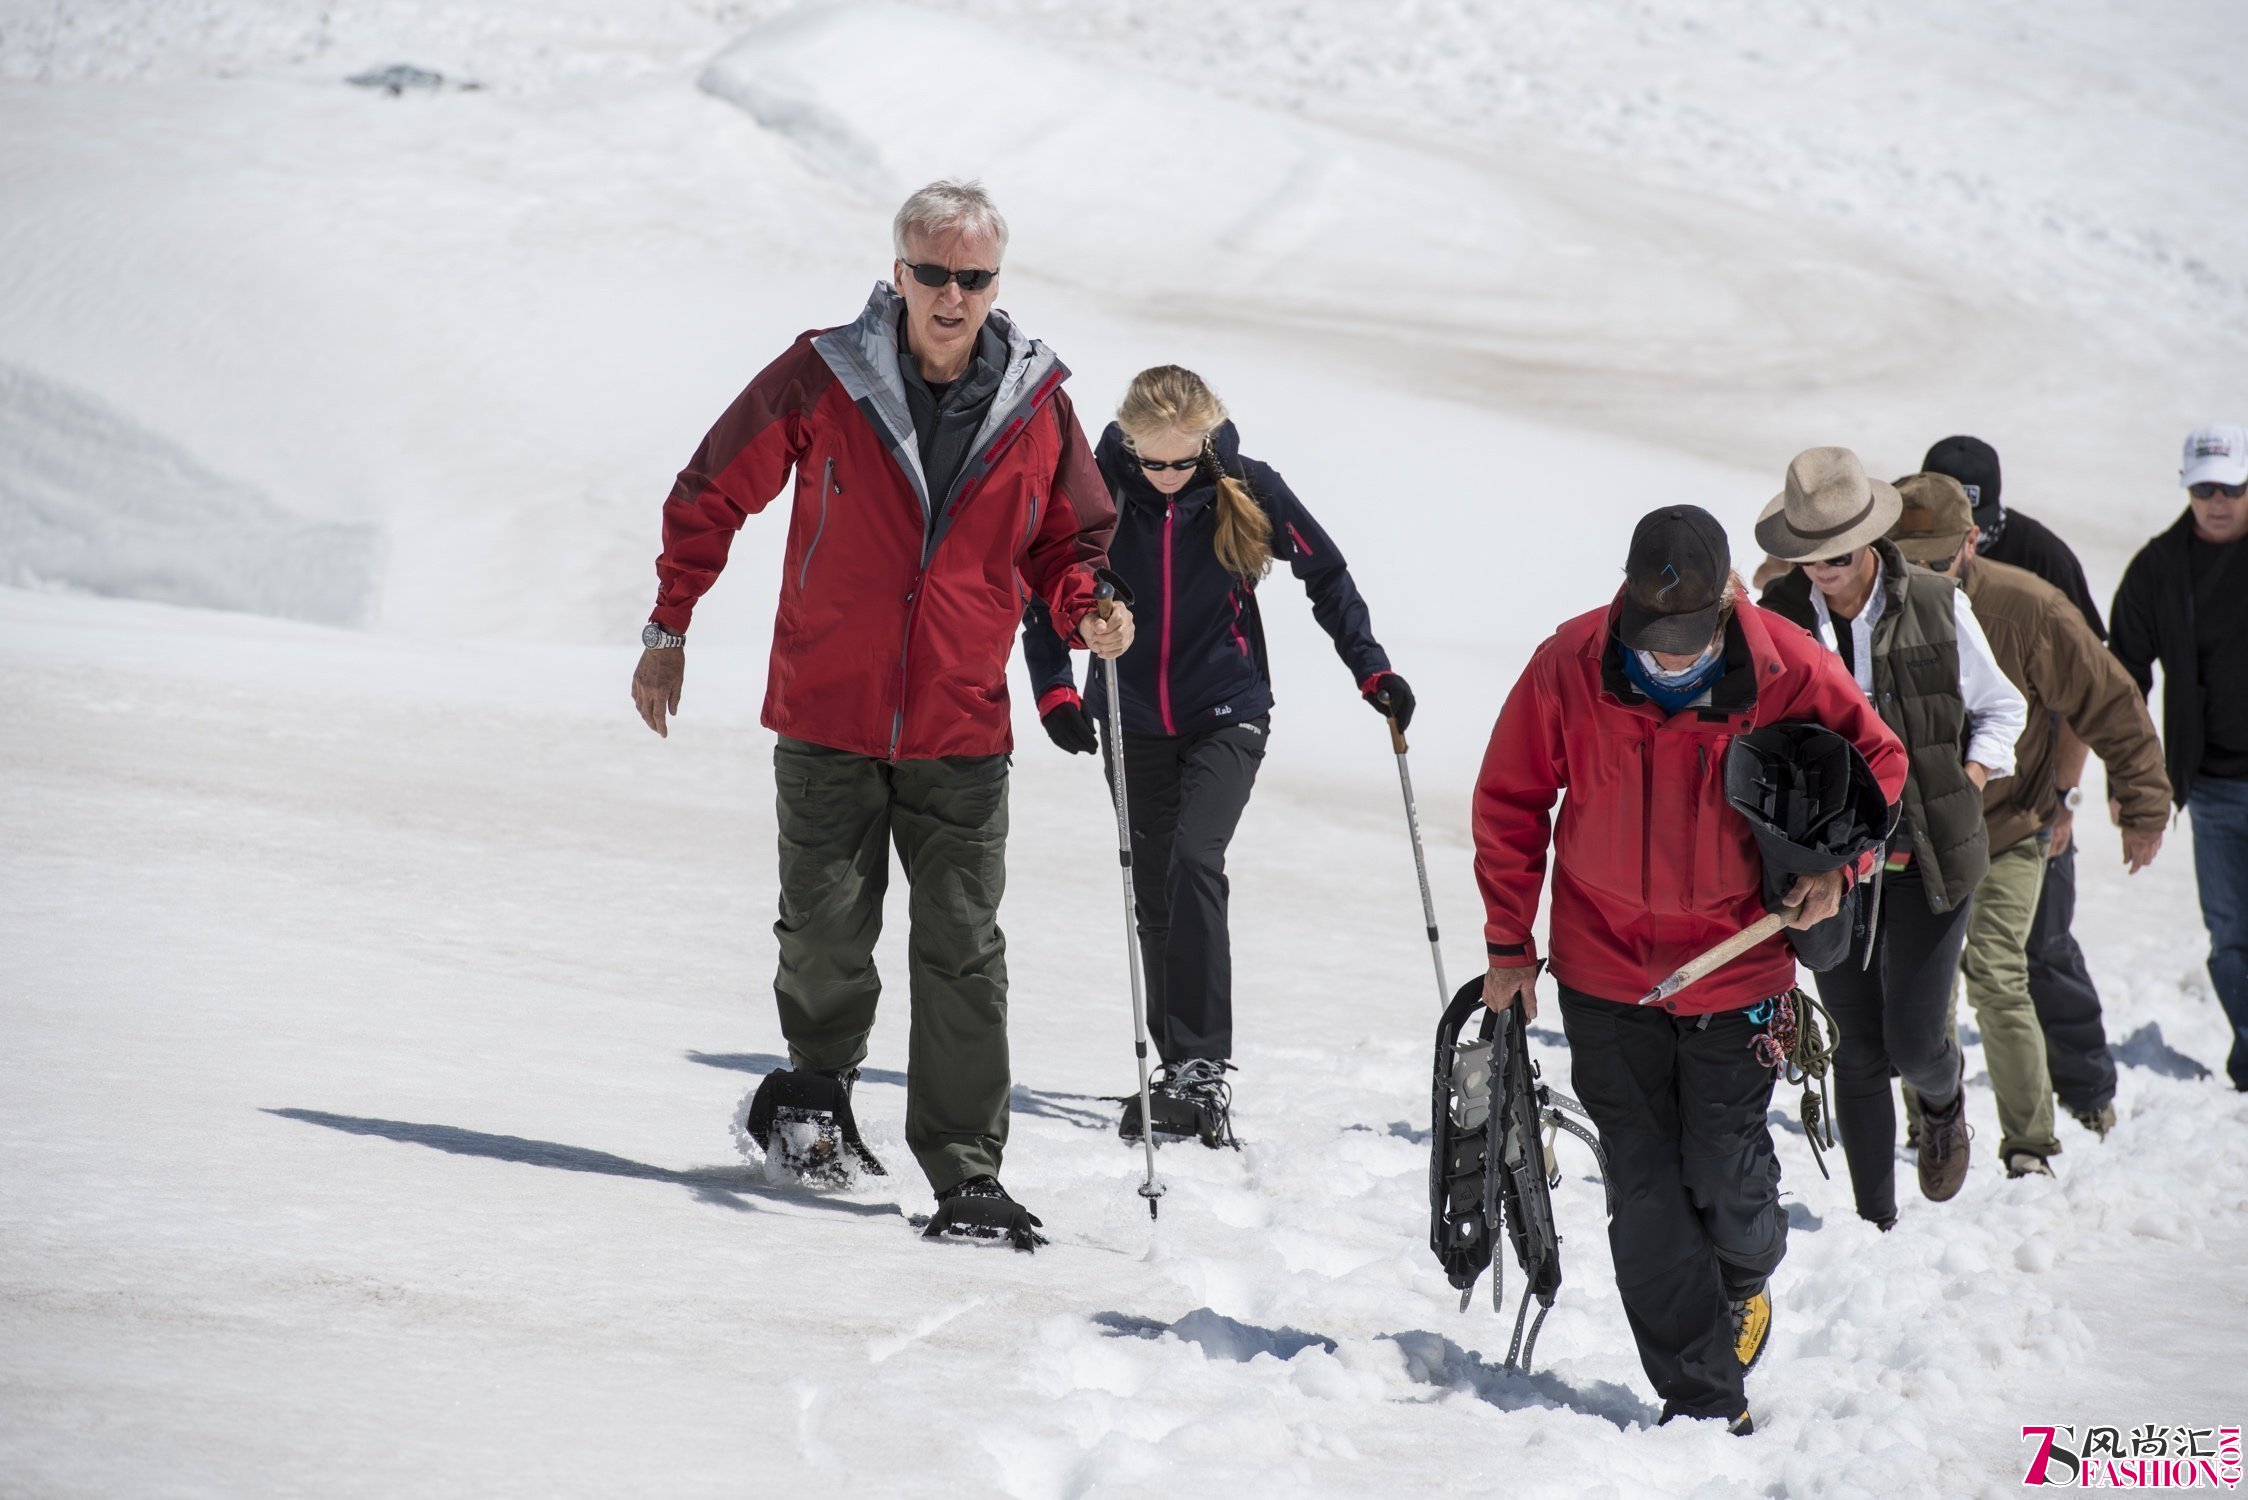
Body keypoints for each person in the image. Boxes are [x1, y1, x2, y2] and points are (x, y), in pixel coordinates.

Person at [629, 180, 1134, 1248]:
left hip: (958, 724)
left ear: (997, 283)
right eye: (933, 273)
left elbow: (1071, 539)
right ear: (897, 272)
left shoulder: (1037, 402)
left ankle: (965, 1175)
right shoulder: (828, 374)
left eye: (974, 277)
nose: (953, 295)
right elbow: (711, 488)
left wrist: (1087, 606)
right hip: (827, 709)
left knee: (962, 950)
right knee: (823, 935)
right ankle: (813, 1092)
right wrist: (669, 627)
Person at [1474, 503, 1905, 1433]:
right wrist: (1511, 942)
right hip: (1604, 967)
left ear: (1727, 607)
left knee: (1722, 1174)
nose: (1666, 660)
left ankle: (1747, 1274)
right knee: (1642, 1185)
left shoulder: (1790, 665)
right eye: (1651, 638)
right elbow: (1510, 799)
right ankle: (1705, 1400)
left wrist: (1839, 867)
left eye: (1686, 642)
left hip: (1736, 970)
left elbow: (1881, 762)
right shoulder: (1572, 660)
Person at [1020, 365, 1409, 1146]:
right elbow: (1043, 592)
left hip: (1227, 710)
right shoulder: (1095, 493)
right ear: (1128, 443)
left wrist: (1372, 667)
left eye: (1183, 461)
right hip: (1131, 719)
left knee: (1195, 858)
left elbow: (1325, 576)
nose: (1167, 478)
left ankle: (1202, 1068)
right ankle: (1179, 1075)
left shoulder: (1248, 485)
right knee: (1156, 893)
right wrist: (1056, 693)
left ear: (1208, 440)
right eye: (1152, 461)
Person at [1758, 448, 2026, 1225]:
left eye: (1838, 554)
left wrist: (1967, 784)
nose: (1824, 570)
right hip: (1829, 856)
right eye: (1808, 556)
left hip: (1931, 851)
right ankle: (1877, 1219)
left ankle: (1942, 1106)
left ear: (1870, 542)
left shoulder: (1938, 603)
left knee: (1914, 1042)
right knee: (1853, 1044)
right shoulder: (1780, 613)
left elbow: (2003, 710)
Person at [1887, 473, 2168, 1179]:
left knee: (1997, 970)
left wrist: (2142, 805)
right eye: (1906, 560)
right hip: (1915, 836)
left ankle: (2029, 1144)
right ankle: (1931, 1130)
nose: (1920, 576)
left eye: (1937, 561)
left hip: (2009, 824)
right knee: (1921, 986)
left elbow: (2111, 700)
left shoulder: (2027, 609)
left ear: (1971, 544)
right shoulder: (1868, 604)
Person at [1922, 436, 2123, 1135]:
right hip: (1941, 802)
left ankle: (2088, 1090)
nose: (1960, 544)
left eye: (1974, 530)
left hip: (2030, 796)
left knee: (2040, 947)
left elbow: (2087, 690)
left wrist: (2064, 797)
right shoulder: (1900, 543)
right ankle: (1933, 1117)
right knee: (1931, 967)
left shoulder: (2041, 561)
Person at [2111, 421, 2248, 1093]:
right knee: (2230, 933)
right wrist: (2132, 779)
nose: (2217, 501)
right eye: (2204, 489)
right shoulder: (2159, 569)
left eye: (2232, 487)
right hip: (2215, 785)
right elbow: (2123, 680)